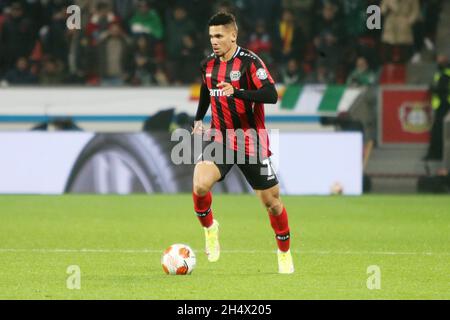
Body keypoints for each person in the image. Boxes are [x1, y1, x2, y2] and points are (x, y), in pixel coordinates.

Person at [191, 12, 294, 274]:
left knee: (272, 201)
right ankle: (210, 228)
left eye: (219, 36)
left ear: (233, 35)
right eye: (211, 36)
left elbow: (271, 95)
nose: (214, 41)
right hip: (221, 139)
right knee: (200, 184)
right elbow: (206, 89)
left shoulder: (250, 63)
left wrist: (237, 92)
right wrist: (198, 118)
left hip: (250, 141)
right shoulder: (208, 65)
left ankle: (284, 253)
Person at [424, 54, 450, 160]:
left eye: (441, 57)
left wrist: (434, 89)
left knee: (439, 131)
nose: (438, 59)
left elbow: (442, 89)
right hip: (440, 105)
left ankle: (437, 155)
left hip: (445, 105)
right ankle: (436, 154)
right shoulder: (440, 71)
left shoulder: (446, 72)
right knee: (437, 131)